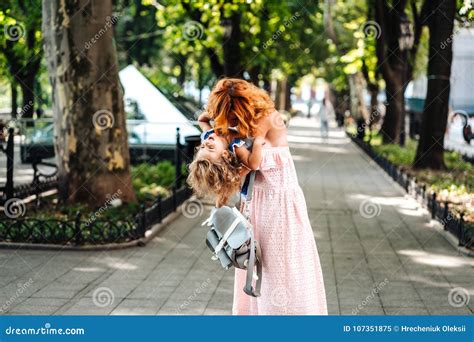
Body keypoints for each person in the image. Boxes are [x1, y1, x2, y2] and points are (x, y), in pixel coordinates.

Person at [188, 78, 327, 315]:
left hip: (279, 206)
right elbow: (235, 168)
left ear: (242, 107)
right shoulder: (236, 132)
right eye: (225, 116)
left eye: (231, 116)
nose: (227, 124)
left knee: (281, 271)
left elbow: (248, 164)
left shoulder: (264, 119)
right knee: (254, 267)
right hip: (254, 205)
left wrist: (220, 139)